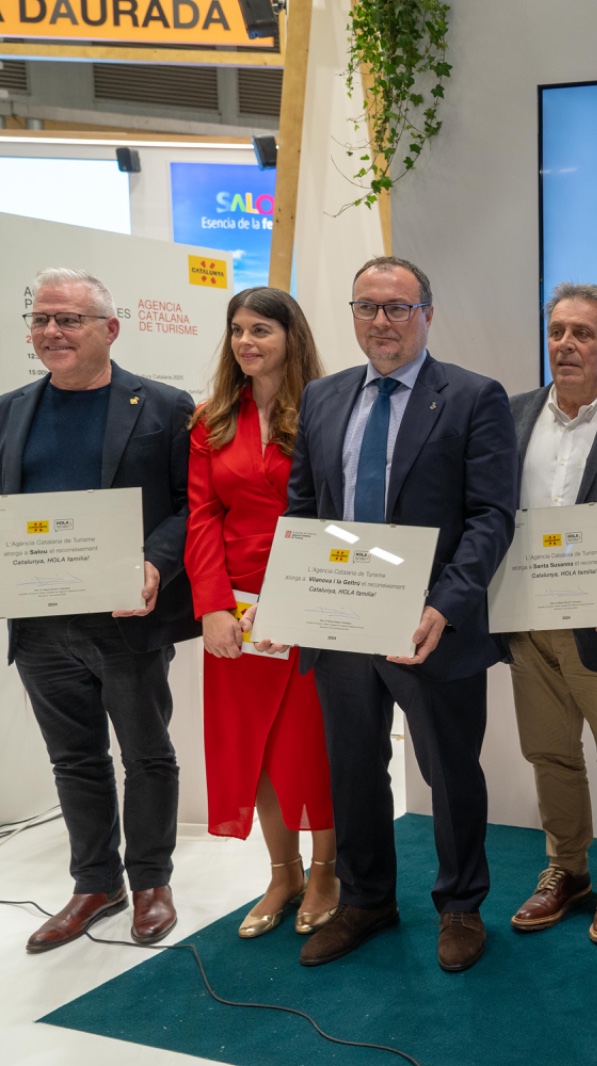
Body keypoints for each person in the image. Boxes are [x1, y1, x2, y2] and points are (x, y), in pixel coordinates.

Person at [269, 255, 516, 973]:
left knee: (450, 772)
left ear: (426, 314)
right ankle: (367, 900)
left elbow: (492, 516)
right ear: (352, 314)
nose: (382, 321)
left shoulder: (473, 396)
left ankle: (461, 905)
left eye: (398, 308)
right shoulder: (323, 396)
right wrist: (292, 597)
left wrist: (446, 605)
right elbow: (304, 509)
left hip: (430, 626)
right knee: (353, 768)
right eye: (367, 307)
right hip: (342, 621)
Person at [2, 268, 200, 952]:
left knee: (146, 754)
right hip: (40, 625)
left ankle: (150, 883)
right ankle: (95, 884)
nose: (52, 331)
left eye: (69, 319)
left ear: (110, 330)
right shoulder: (10, 410)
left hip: (126, 619)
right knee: (74, 759)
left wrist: (156, 563)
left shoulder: (164, 406)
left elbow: (191, 506)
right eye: (41, 319)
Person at [503, 283, 597, 946]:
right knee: (548, 752)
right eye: (557, 332)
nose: (565, 345)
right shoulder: (512, 413)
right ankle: (565, 869)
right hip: (528, 617)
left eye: (583, 334)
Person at [186, 287, 340, 939]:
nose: (246, 342)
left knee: (313, 745)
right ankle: (284, 874)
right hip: (238, 613)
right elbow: (202, 516)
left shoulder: (328, 411)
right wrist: (213, 607)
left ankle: (327, 871)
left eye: (261, 330)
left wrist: (297, 598)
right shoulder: (211, 419)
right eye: (237, 330)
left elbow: (340, 514)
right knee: (255, 746)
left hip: (309, 598)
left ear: (291, 336)